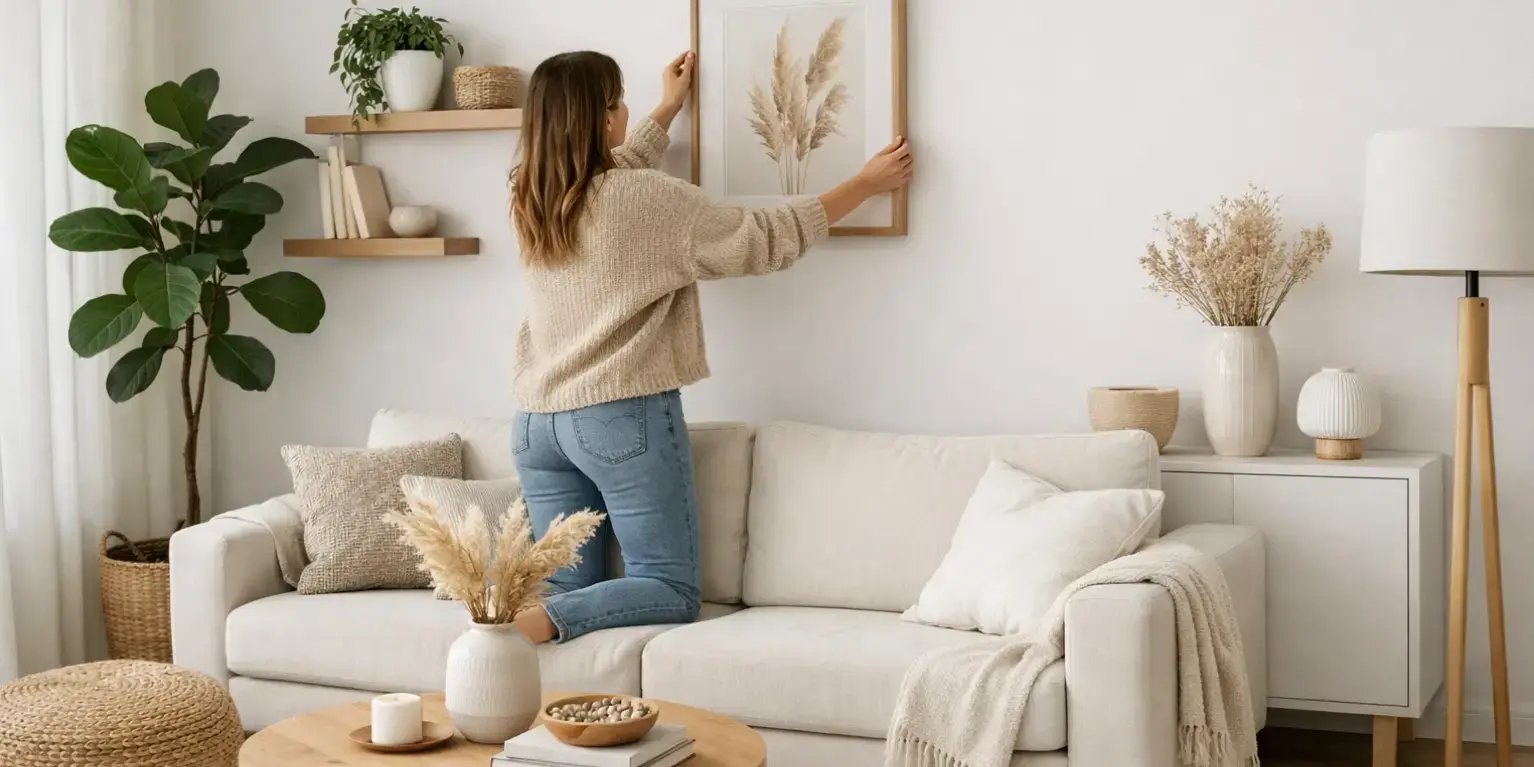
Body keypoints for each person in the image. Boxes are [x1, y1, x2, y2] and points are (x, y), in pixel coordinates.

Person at [508, 49, 913, 643]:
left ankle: (528, 626)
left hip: (536, 426)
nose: (624, 113)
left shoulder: (531, 196)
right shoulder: (646, 200)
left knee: (568, 586)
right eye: (618, 102)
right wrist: (864, 184)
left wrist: (668, 108)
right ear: (600, 118)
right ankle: (541, 624)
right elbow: (762, 238)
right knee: (668, 588)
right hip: (618, 418)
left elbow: (613, 176)